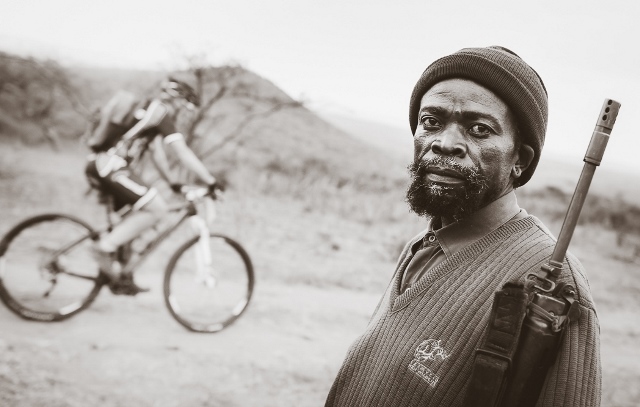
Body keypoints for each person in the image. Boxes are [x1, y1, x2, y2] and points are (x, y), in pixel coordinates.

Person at [325, 46, 600, 407]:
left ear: (520, 159)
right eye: (431, 122)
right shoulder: (421, 246)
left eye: (479, 129)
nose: (444, 143)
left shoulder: (554, 284)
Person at [85, 78, 218, 295]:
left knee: (135, 220)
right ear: (178, 101)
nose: (184, 115)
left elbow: (158, 155)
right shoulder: (161, 111)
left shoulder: (151, 113)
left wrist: (173, 183)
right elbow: (181, 151)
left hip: (104, 165)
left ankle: (122, 276)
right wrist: (211, 181)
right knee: (157, 209)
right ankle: (101, 249)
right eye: (186, 108)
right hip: (110, 166)